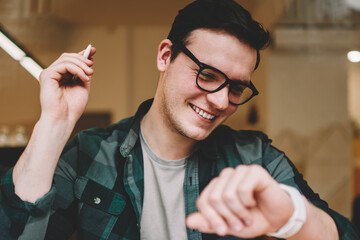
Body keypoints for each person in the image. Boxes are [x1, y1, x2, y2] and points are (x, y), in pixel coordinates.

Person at [0, 0, 358, 239]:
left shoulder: (255, 158)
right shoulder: (88, 154)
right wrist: (53, 124)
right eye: (207, 74)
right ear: (166, 55)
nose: (220, 101)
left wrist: (292, 216)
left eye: (236, 87)